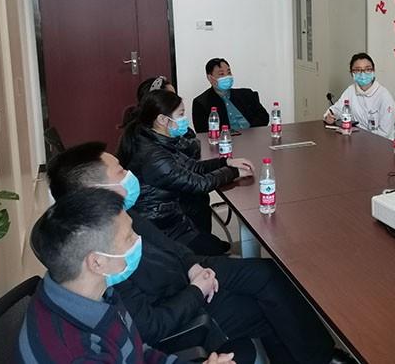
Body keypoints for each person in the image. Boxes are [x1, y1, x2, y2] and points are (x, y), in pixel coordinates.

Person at [46, 142, 357, 364]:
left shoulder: (121, 214)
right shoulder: (99, 253)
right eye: (120, 171)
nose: (129, 173)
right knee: (269, 308)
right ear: (95, 192)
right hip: (182, 304)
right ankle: (317, 357)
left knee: (269, 274)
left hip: (188, 274)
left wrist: (194, 267)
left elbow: (170, 245)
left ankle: (318, 354)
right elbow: (150, 327)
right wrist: (196, 290)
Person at [18, 187, 235, 364]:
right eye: (129, 237)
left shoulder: (96, 292)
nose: (138, 240)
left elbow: (138, 351)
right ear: (97, 262)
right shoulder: (79, 352)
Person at [117, 89, 254, 256]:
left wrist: (226, 162)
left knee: (214, 240)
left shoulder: (158, 140)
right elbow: (199, 183)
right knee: (216, 250)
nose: (184, 119)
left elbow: (193, 167)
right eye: (181, 114)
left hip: (169, 213)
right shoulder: (154, 155)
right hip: (161, 225)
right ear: (162, 120)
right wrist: (234, 172)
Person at [323, 52, 395, 139]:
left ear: (373, 71)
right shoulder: (351, 90)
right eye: (358, 70)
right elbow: (336, 109)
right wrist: (329, 116)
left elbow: (384, 133)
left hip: (381, 143)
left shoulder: (384, 96)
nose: (363, 74)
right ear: (351, 73)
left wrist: (361, 139)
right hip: (358, 140)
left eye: (367, 69)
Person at [192, 58, 269, 133]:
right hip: (225, 139)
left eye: (229, 72)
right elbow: (203, 131)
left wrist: (250, 132)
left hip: (252, 136)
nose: (227, 77)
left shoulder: (246, 95)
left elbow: (264, 116)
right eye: (221, 74)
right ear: (210, 78)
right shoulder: (201, 103)